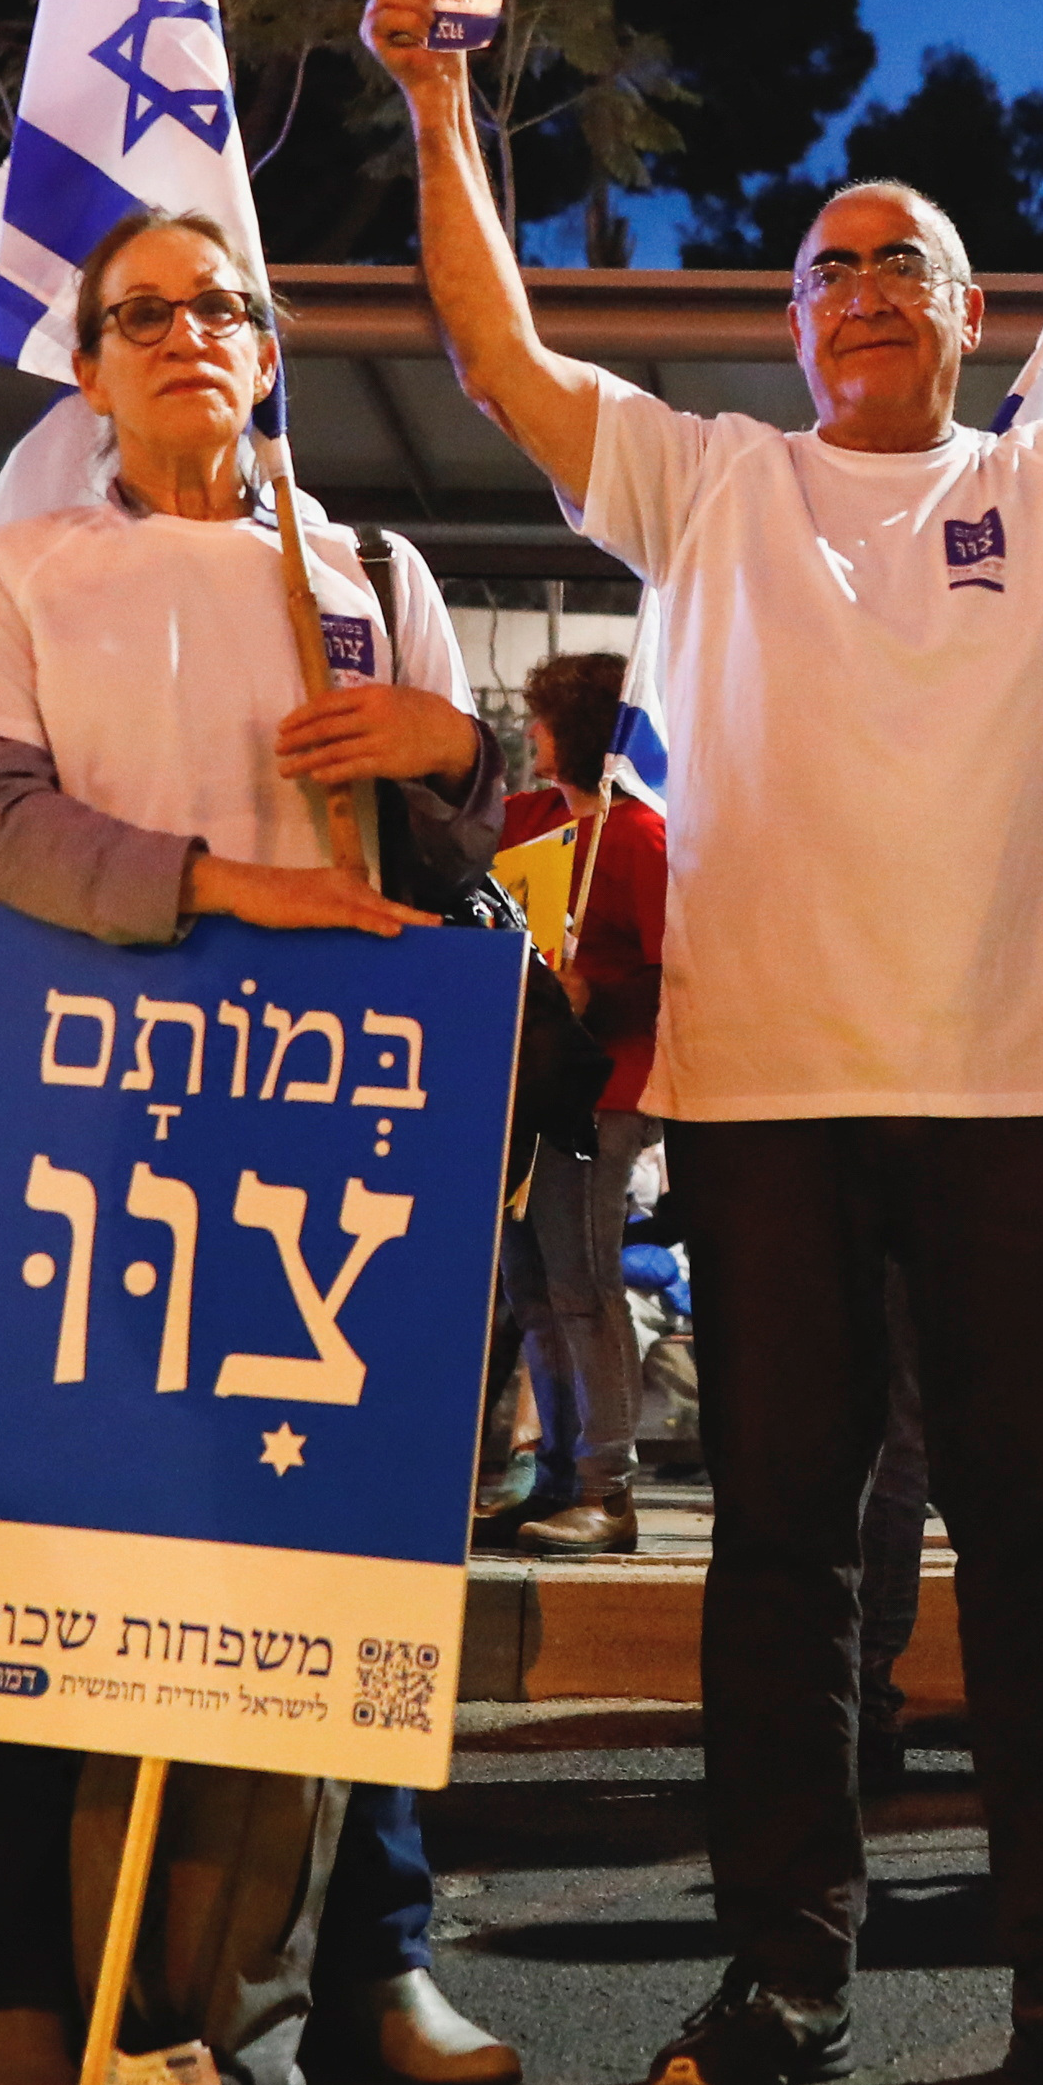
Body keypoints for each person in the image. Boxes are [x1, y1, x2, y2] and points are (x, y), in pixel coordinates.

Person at [372, 0, 1043, 2085]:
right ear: (793, 318)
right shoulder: (710, 484)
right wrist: (435, 103)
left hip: (1010, 1085)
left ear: (970, 317)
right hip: (763, 1099)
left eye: (904, 261)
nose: (863, 286)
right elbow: (491, 352)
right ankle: (782, 1976)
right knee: (775, 1552)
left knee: (1033, 1538)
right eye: (830, 261)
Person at [0, 201, 524, 2085]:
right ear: (90, 368)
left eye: (221, 307)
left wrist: (460, 746)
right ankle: (14, 1979)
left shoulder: (367, 566)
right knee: (45, 1522)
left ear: (269, 350)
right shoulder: (20, 568)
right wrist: (213, 888)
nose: (187, 334)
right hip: (91, 1107)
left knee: (357, 1522)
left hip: (334, 1124)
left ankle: (370, 1961)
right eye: (142, 314)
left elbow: (460, 840)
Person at [488, 651, 663, 1556]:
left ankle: (609, 1488)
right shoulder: (524, 820)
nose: (530, 732)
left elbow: (683, 974)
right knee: (532, 1284)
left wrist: (599, 991)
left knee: (583, 1284)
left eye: (543, 717)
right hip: (527, 1083)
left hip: (601, 1088)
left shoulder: (638, 839)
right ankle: (557, 1473)